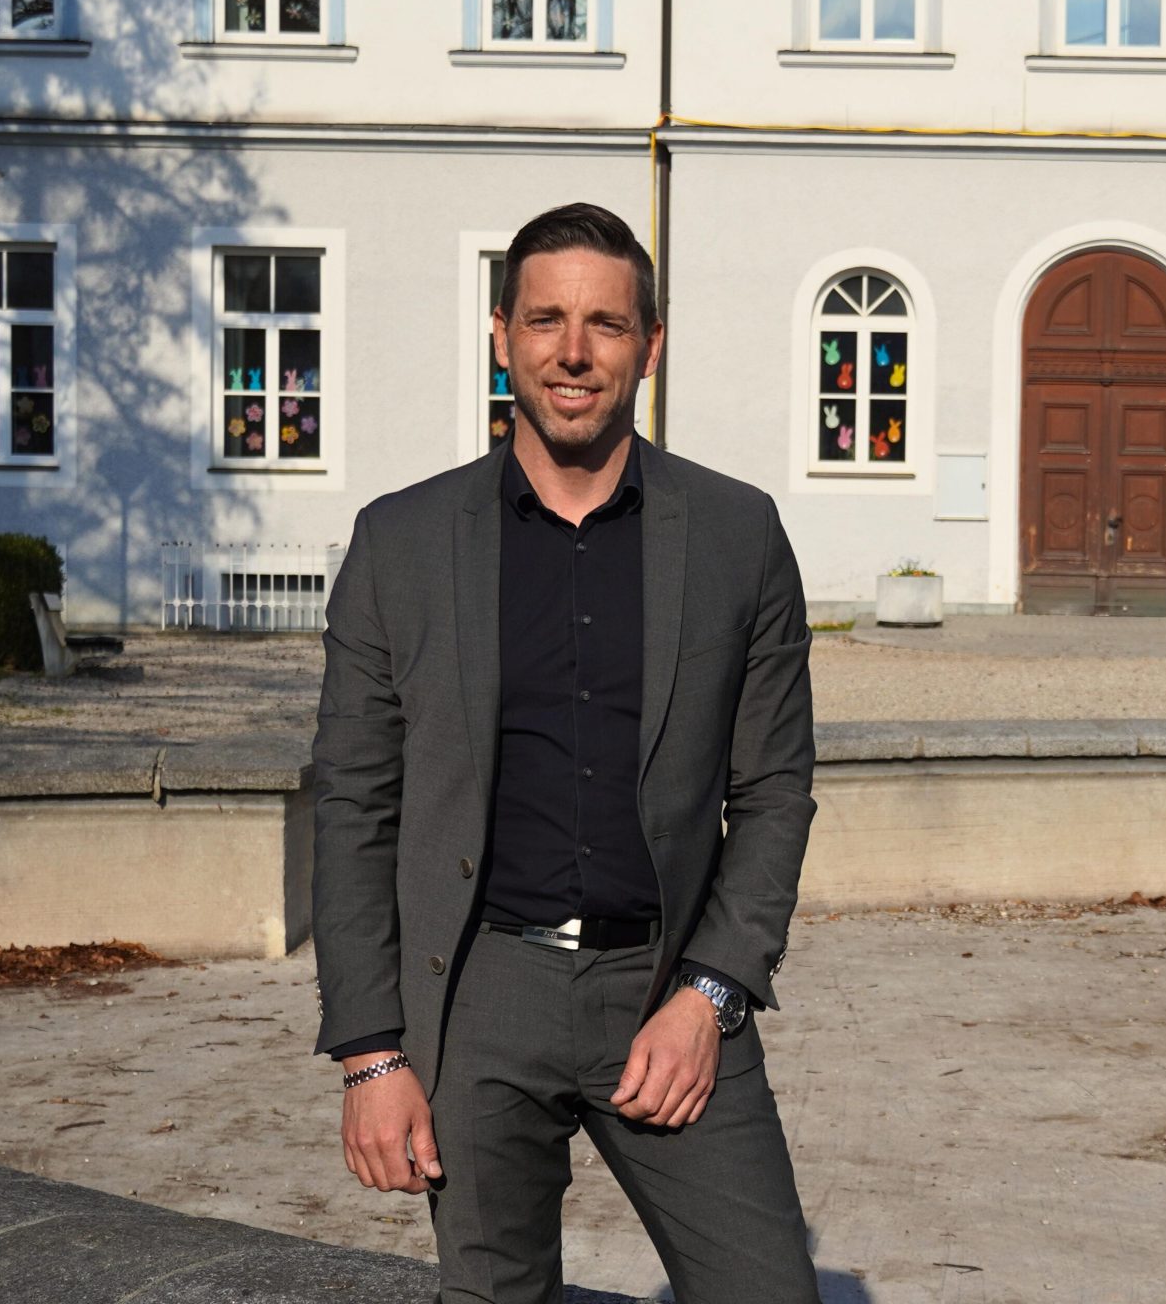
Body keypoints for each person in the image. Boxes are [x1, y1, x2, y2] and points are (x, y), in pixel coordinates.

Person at [309, 202, 821, 1303]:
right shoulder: (402, 543)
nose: (573, 352)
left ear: (650, 343)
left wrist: (712, 994)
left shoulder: (737, 536)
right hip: (478, 993)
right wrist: (372, 1054)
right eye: (544, 320)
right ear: (502, 335)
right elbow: (353, 805)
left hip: (669, 985)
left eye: (604, 323)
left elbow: (773, 790)